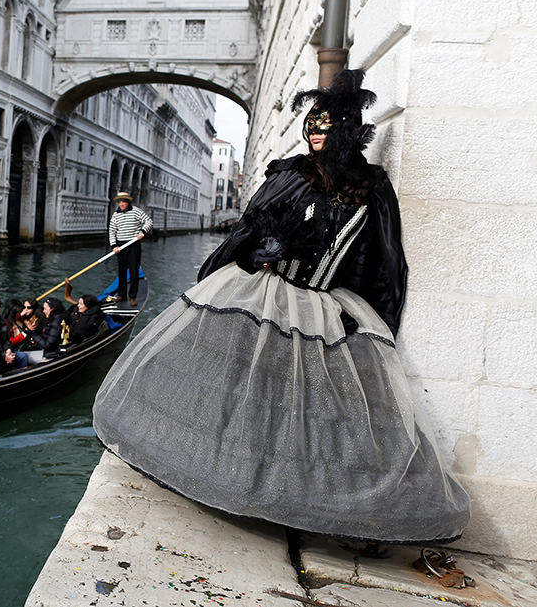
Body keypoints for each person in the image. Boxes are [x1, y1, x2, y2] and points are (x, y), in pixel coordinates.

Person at [93, 70, 470, 544]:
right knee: (248, 390)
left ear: (350, 129)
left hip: (326, 308)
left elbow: (384, 260)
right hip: (265, 294)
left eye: (326, 123)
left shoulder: (374, 187)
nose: (314, 130)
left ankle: (302, 495)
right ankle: (231, 477)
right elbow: (246, 231)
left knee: (309, 406)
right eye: (311, 122)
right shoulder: (291, 172)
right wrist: (254, 255)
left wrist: (381, 322)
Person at [108, 192, 153, 306]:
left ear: (128, 202)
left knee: (134, 271)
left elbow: (149, 221)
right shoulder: (115, 215)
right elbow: (112, 231)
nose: (122, 204)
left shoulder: (136, 211)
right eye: (120, 202)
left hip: (133, 244)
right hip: (121, 246)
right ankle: (122, 295)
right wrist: (114, 246)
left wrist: (142, 232)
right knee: (121, 271)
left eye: (124, 202)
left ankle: (132, 297)